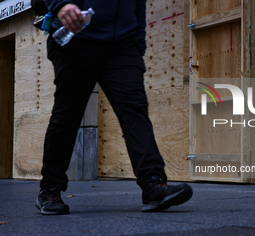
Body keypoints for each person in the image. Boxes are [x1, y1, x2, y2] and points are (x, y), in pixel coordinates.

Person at [35, 0, 193, 214]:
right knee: (67, 116)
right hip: (76, 38)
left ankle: (153, 185)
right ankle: (50, 188)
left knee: (134, 110)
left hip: (123, 44)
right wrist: (61, 4)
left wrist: (138, 41)